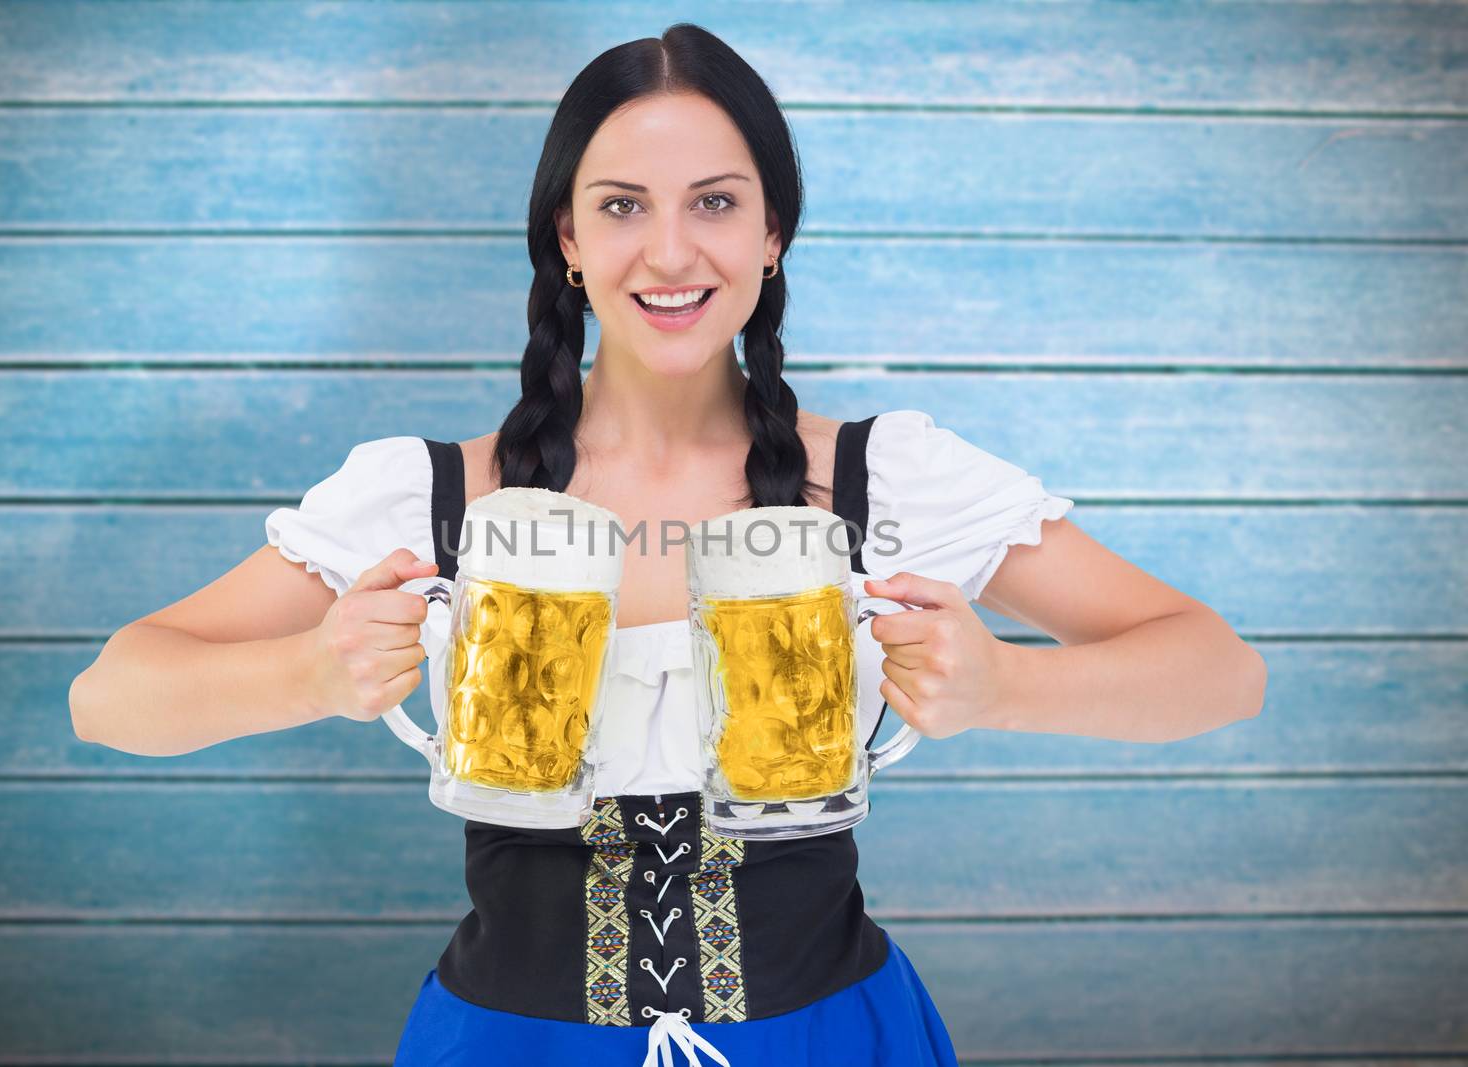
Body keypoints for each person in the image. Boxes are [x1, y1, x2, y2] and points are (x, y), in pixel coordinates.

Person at [70, 22, 1267, 1067]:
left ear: (772, 234)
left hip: (828, 1036)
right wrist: (307, 673)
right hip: (506, 1044)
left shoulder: (881, 477)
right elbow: (111, 694)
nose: (673, 252)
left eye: (715, 201)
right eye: (623, 206)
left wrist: (1012, 682)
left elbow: (1216, 667)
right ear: (569, 240)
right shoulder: (431, 494)